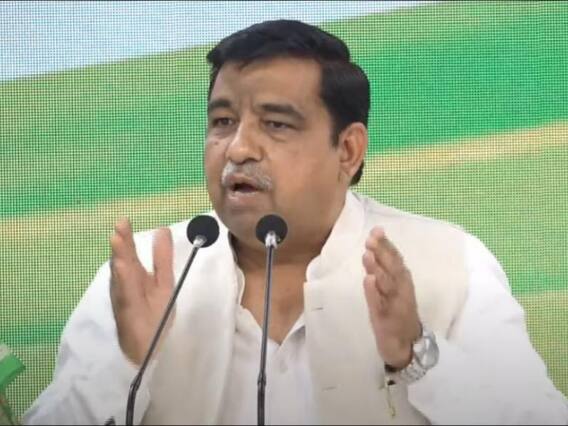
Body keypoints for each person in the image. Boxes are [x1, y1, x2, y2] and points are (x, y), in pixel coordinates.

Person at [24, 20, 568, 425]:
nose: (237, 148)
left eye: (276, 124)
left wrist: (417, 354)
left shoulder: (446, 263)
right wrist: (126, 363)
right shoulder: (147, 274)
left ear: (348, 150)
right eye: (222, 121)